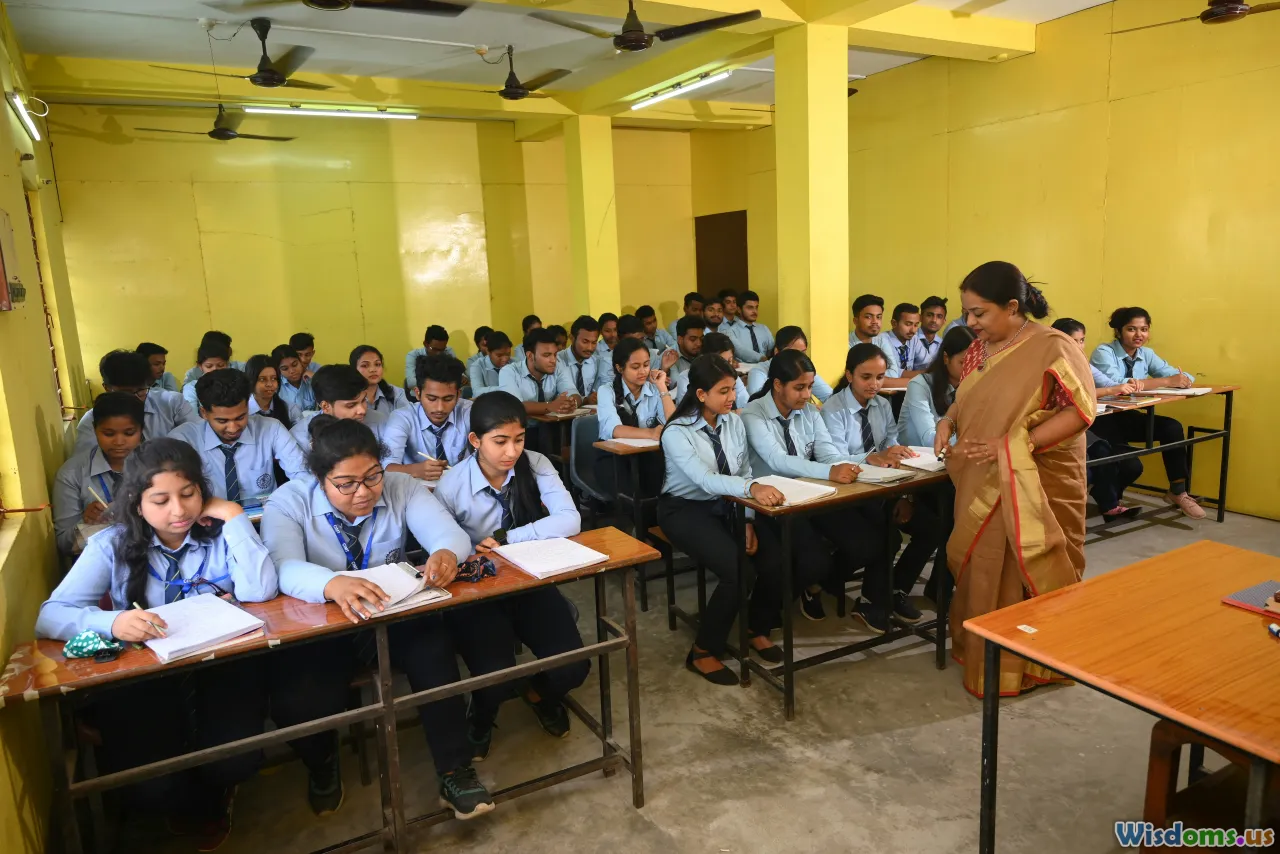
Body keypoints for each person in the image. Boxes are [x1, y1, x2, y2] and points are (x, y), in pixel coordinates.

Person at [37, 438, 275, 848]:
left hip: (221, 667)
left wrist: (235, 517)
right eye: (160, 499)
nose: (179, 510)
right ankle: (184, 800)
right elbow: (50, 614)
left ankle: (215, 790)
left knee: (236, 760)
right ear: (136, 502)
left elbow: (261, 591)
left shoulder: (222, 533)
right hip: (147, 676)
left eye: (188, 494)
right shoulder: (110, 544)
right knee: (152, 785)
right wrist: (114, 622)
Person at [261, 417, 494, 819]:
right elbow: (281, 566)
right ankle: (322, 763)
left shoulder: (402, 486)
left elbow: (449, 534)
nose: (364, 492)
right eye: (346, 484)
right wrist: (332, 584)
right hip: (325, 618)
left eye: (372, 477)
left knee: (435, 654)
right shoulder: (287, 501)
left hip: (392, 612)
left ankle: (456, 769)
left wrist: (446, 554)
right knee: (300, 696)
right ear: (321, 479)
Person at [935, 261, 1094, 697]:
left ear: (1011, 307)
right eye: (966, 313)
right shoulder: (976, 350)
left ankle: (1038, 664)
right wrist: (947, 420)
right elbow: (965, 402)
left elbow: (1080, 413)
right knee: (984, 567)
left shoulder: (1053, 347)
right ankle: (987, 657)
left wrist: (1012, 448)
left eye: (979, 314)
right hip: (981, 474)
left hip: (1037, 480)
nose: (970, 323)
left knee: (1030, 566)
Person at [435, 392, 589, 757]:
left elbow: (571, 518)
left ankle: (539, 692)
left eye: (519, 439)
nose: (512, 452)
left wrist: (508, 539)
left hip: (529, 578)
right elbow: (442, 545)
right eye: (500, 441)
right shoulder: (452, 485)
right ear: (475, 440)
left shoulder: (535, 464)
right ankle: (483, 713)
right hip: (478, 590)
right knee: (495, 675)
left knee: (574, 668)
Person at [658, 354, 786, 684]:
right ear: (701, 394)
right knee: (738, 571)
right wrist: (752, 488)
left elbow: (741, 469)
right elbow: (705, 479)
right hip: (685, 509)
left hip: (730, 502)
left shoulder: (733, 423)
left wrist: (746, 519)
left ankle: (756, 628)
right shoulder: (677, 431)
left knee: (775, 557)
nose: (733, 397)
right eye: (724, 391)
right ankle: (703, 651)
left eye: (734, 388)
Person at [743, 350, 878, 624]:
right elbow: (777, 461)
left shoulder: (808, 411)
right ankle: (761, 614)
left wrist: (867, 462)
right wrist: (830, 471)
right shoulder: (752, 415)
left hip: (811, 493)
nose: (807, 395)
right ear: (777, 384)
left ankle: (813, 586)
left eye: (809, 386)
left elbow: (828, 454)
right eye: (799, 387)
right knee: (814, 560)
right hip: (773, 503)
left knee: (865, 544)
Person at [822, 344, 944, 632]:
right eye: (866, 377)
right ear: (849, 375)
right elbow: (832, 457)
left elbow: (889, 442)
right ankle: (870, 600)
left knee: (932, 527)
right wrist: (871, 457)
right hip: (848, 492)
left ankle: (894, 590)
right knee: (884, 534)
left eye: (879, 377)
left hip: (883, 487)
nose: (874, 384)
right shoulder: (833, 409)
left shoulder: (882, 405)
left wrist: (897, 452)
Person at [1089, 307, 1204, 520]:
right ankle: (1109, 497)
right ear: (1119, 331)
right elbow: (1118, 384)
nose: (1138, 335)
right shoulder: (1104, 352)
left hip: (1129, 416)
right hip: (1104, 420)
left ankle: (1178, 491)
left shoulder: (1146, 354)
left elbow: (1176, 373)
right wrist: (1167, 381)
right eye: (1131, 329)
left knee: (1172, 427)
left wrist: (1184, 379)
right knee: (1132, 465)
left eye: (1144, 329)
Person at [169, 368, 310, 503]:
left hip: (265, 519)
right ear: (204, 413)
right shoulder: (182, 440)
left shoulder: (271, 429)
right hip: (206, 522)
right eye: (222, 421)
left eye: (240, 417)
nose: (233, 428)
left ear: (248, 406)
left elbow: (302, 475)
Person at [1052, 318, 1144, 523]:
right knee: (1101, 451)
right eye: (1072, 340)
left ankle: (1109, 504)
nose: (1078, 346)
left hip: (1083, 419)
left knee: (1117, 456)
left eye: (1082, 340)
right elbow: (1070, 395)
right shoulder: (1050, 362)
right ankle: (1107, 504)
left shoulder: (1081, 361)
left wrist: (1124, 385)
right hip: (1056, 423)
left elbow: (1107, 383)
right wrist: (1111, 390)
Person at [53, 392, 145, 555]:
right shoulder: (73, 474)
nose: (119, 442)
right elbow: (65, 545)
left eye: (129, 433)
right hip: (100, 565)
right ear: (95, 429)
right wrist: (88, 523)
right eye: (108, 434)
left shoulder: (159, 466)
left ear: (142, 429)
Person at [75, 350, 200, 451]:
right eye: (126, 393)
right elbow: (86, 462)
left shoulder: (172, 403)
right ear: (107, 388)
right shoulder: (92, 420)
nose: (134, 399)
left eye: (140, 390)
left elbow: (199, 434)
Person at [595, 338, 673, 494]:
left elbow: (674, 423)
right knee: (630, 493)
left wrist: (662, 387)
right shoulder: (606, 391)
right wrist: (651, 433)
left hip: (646, 455)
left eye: (646, 365)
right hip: (614, 457)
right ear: (619, 368)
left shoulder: (653, 388)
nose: (643, 371)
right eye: (635, 367)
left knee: (664, 482)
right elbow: (615, 430)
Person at [384, 354, 473, 481]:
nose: (439, 408)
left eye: (448, 399)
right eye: (431, 398)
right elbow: (386, 468)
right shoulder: (402, 418)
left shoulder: (469, 411)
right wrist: (415, 470)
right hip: (417, 490)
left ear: (458, 395)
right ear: (418, 394)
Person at [898, 326, 975, 447]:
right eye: (963, 362)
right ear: (946, 358)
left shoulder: (971, 387)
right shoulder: (919, 385)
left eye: (974, 364)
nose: (969, 370)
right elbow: (929, 440)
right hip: (914, 461)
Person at [291, 364, 391, 456]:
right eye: (351, 405)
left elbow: (390, 463)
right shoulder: (300, 436)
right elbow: (302, 474)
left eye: (364, 400)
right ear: (326, 406)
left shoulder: (381, 421)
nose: (362, 411)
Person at [497, 328, 578, 416]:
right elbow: (515, 406)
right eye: (547, 355)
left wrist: (571, 403)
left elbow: (573, 392)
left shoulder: (558, 366)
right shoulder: (509, 372)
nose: (553, 360)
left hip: (554, 425)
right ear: (530, 356)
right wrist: (550, 406)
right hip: (524, 428)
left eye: (555, 354)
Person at [745, 326, 834, 402]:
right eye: (792, 353)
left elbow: (832, 399)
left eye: (802, 354)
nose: (798, 359)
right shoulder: (759, 372)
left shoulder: (805, 371)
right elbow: (758, 403)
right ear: (777, 352)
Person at [676, 331, 746, 407]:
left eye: (730, 361)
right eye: (721, 362)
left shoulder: (731, 376)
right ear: (704, 358)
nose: (727, 367)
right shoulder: (686, 378)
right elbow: (688, 412)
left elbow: (745, 404)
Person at [848, 294, 902, 379]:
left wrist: (869, 376)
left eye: (878, 317)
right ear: (856, 321)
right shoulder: (847, 343)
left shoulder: (881, 339)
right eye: (868, 317)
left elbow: (894, 373)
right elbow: (854, 377)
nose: (875, 322)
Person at [351, 345, 411, 414]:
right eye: (365, 365)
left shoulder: (397, 393)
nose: (373, 370)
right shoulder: (347, 396)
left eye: (377, 364)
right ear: (354, 369)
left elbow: (407, 419)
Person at [244, 353, 299, 428]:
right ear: (251, 380)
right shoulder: (242, 410)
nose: (270, 384)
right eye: (262, 379)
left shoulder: (290, 408)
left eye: (273, 378)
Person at [557, 315, 601, 402]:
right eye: (585, 342)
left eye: (594, 342)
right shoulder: (557, 360)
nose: (590, 348)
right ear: (572, 338)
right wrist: (586, 400)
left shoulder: (597, 362)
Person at [726, 290, 773, 364]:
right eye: (750, 308)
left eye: (756, 307)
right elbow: (740, 351)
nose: (755, 311)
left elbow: (772, 350)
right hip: (744, 373)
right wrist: (763, 358)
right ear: (739, 309)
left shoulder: (764, 328)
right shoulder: (730, 331)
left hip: (765, 370)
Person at [405, 325, 456, 393]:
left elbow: (457, 373)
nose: (438, 353)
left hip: (446, 394)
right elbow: (411, 383)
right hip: (419, 397)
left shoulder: (448, 351)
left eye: (442, 350)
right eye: (434, 349)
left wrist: (462, 377)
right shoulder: (413, 355)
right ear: (425, 344)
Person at [181, 338, 230, 408]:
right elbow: (191, 416)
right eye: (209, 366)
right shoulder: (191, 388)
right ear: (200, 366)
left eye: (220, 365)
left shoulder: (235, 383)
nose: (215, 369)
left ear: (227, 364)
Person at [885, 302, 925, 378]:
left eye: (916, 325)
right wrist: (925, 373)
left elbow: (927, 363)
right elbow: (895, 373)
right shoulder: (882, 340)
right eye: (908, 324)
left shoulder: (914, 339)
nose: (913, 330)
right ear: (894, 323)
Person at [273, 344, 317, 413]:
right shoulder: (276, 388)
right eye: (285, 369)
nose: (292, 371)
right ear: (279, 371)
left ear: (300, 361)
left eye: (295, 364)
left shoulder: (312, 379)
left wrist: (317, 379)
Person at [468, 330, 512, 397]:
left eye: (508, 354)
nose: (505, 359)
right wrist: (505, 388)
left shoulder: (515, 362)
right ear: (488, 351)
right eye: (499, 355)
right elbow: (477, 392)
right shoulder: (477, 366)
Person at [665, 315, 705, 388]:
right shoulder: (669, 356)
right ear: (680, 339)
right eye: (693, 339)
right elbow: (679, 386)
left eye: (701, 338)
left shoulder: (705, 349)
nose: (699, 343)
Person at [912, 296, 949, 369]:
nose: (934, 320)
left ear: (944, 321)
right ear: (920, 317)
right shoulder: (910, 338)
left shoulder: (943, 345)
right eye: (929, 315)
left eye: (939, 316)